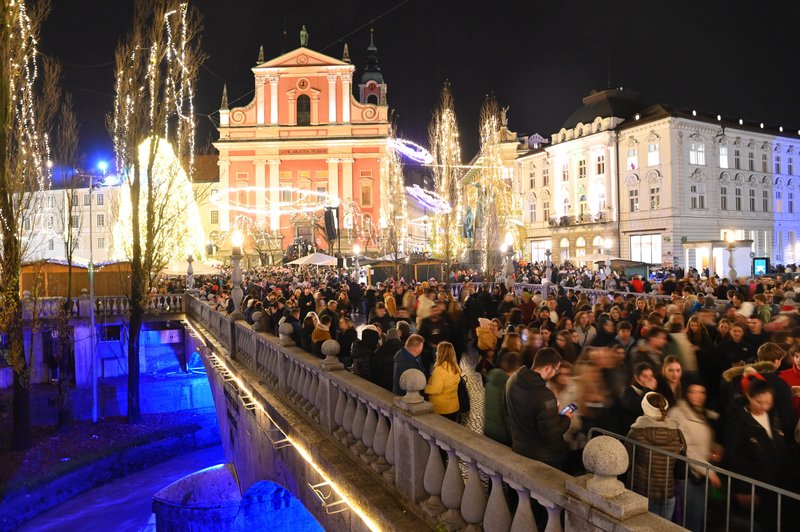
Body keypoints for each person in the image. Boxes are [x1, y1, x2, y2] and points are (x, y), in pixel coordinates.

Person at [723, 377, 791, 530]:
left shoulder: (773, 416)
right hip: (754, 489)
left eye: (768, 402)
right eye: (759, 402)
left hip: (775, 485)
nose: (764, 407)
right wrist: (743, 489)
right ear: (749, 396)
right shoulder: (737, 421)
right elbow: (734, 457)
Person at [667, 379, 721, 532]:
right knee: (687, 519)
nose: (698, 396)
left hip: (700, 473)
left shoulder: (701, 413)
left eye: (701, 392)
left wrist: (715, 448)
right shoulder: (679, 413)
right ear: (686, 393)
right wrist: (709, 471)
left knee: (697, 517)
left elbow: (702, 441)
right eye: (693, 391)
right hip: (687, 473)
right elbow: (687, 448)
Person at [505, 347, 572, 470]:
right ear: (548, 368)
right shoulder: (545, 396)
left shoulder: (512, 380)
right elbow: (551, 436)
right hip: (543, 457)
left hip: (518, 447)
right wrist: (566, 418)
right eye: (556, 371)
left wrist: (550, 414)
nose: (555, 374)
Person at [627, 392, 687, 520]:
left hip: (642, 493)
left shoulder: (636, 433)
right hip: (668, 493)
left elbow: (627, 462)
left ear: (644, 406)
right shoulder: (677, 433)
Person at [484, 351, 521, 445]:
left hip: (486, 427)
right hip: (501, 435)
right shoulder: (510, 388)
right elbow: (509, 417)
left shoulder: (491, 380)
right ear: (517, 368)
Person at [424, 342, 461, 420]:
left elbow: (436, 389)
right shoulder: (456, 368)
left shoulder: (439, 370)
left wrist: (425, 387)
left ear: (441, 353)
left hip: (441, 408)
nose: (436, 353)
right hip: (454, 406)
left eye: (437, 351)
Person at [619, 363, 659, 433]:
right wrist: (647, 389)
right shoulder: (628, 391)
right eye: (645, 376)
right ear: (636, 378)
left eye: (651, 376)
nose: (649, 379)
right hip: (634, 431)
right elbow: (637, 408)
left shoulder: (653, 392)